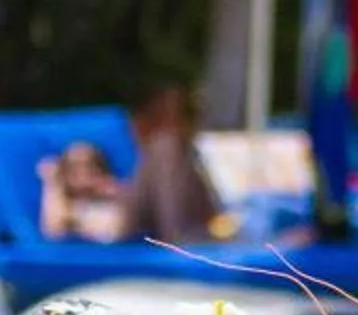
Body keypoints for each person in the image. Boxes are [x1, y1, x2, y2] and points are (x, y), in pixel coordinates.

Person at [33, 85, 222, 246]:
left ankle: (202, 236)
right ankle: (188, 241)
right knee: (164, 146)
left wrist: (114, 190)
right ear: (65, 175)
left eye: (93, 164)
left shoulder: (119, 190)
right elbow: (53, 229)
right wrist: (52, 181)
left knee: (170, 147)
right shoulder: (73, 207)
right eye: (74, 167)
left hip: (151, 219)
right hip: (127, 226)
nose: (85, 172)